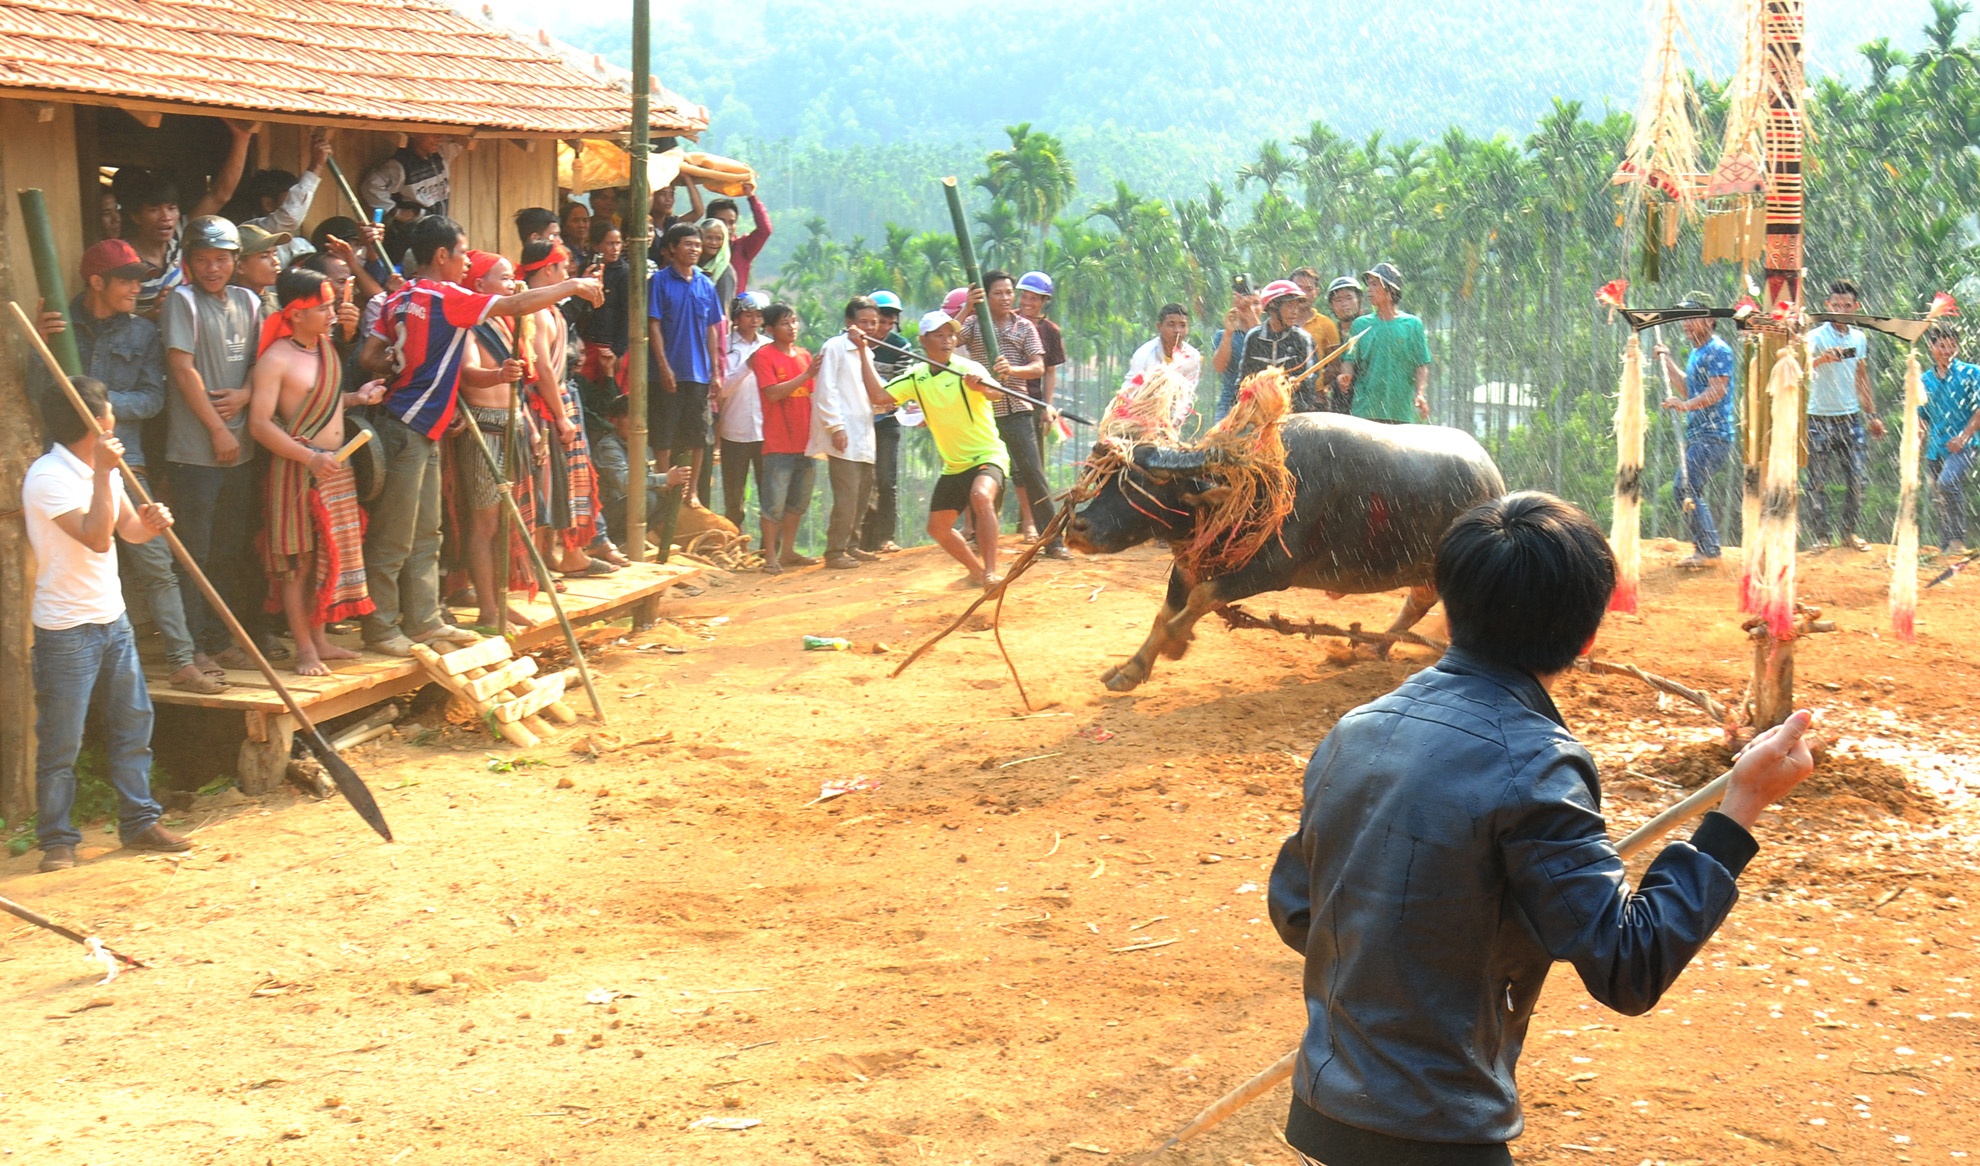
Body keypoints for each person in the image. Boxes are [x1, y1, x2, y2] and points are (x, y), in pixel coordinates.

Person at [1268, 491, 1815, 1166]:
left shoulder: (1354, 732)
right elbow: (1628, 965)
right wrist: (1738, 811)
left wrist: (1425, 936)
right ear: (1587, 638)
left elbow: (1297, 908)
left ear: (1445, 602)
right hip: (1439, 1130)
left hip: (1326, 1108)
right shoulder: (1535, 762)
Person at [357, 214, 602, 656]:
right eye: (461, 254)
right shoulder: (446, 297)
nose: (466, 264)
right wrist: (572, 287)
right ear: (441, 256)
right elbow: (511, 307)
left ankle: (425, 621)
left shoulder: (400, 297)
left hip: (416, 424)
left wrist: (397, 365)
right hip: (411, 424)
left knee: (426, 531)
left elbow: (370, 353)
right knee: (397, 533)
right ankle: (381, 628)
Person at [33, 240, 216, 694]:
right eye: (127, 279)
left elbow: (153, 401)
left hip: (122, 461)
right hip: (66, 464)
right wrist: (39, 344)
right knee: (71, 562)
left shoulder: (142, 334)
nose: (138, 287)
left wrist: (99, 406)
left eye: (140, 278)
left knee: (155, 562)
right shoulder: (60, 327)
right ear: (97, 282)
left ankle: (180, 658)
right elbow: (38, 392)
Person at [25, 376, 192, 872]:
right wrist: (102, 474)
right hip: (65, 629)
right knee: (62, 739)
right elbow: (96, 539)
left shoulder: (107, 469)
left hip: (111, 618)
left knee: (132, 724)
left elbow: (127, 531)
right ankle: (57, 838)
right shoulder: (47, 476)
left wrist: (152, 521)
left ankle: (140, 821)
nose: (114, 419)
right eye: (108, 414)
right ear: (96, 425)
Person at [248, 269, 385, 675]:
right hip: (297, 472)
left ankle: (321, 639)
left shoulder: (325, 348)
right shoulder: (275, 359)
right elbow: (260, 424)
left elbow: (327, 403)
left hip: (335, 467)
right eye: (321, 307)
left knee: (330, 556)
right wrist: (308, 458)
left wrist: (357, 398)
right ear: (294, 313)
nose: (331, 313)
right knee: (298, 563)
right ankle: (304, 649)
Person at [162, 215, 264, 672]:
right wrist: (218, 430)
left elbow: (264, 361)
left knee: (228, 549)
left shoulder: (249, 300)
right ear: (188, 263)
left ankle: (219, 638)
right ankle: (193, 648)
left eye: (221, 259)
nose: (212, 268)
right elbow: (184, 370)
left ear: (235, 261)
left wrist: (245, 394)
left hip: (242, 451)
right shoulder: (181, 302)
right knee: (194, 553)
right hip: (194, 452)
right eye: (201, 260)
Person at [858, 312, 1009, 588]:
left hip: (988, 454)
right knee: (937, 528)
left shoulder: (968, 368)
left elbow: (996, 393)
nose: (947, 340)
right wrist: (861, 351)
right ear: (923, 340)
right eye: (939, 335)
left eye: (950, 334)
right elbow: (879, 398)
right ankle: (976, 572)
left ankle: (991, 572)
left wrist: (981, 385)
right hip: (955, 464)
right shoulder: (917, 377)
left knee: (980, 496)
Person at [454, 250, 537, 629]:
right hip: (484, 429)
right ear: (479, 286)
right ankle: (489, 611)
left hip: (512, 425)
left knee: (506, 523)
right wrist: (498, 376)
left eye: (510, 278)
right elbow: (470, 374)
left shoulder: (506, 324)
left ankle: (501, 602)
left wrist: (530, 425)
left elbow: (517, 386)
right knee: (485, 523)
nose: (510, 284)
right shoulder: (470, 325)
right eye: (502, 278)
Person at [517, 240, 609, 577]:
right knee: (547, 486)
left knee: (560, 484)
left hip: (553, 404)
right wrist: (559, 416)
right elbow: (542, 369)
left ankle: (558, 556)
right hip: (545, 407)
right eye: (563, 267)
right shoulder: (539, 312)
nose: (568, 272)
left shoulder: (550, 308)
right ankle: (543, 562)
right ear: (548, 269)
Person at [113, 122, 254, 316]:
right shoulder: (121, 256)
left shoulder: (180, 234)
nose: (166, 218)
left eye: (171, 208)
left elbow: (220, 195)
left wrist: (242, 139)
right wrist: (154, 314)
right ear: (136, 217)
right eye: (154, 210)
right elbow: (111, 318)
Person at [960, 270, 1053, 551]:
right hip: (983, 412)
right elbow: (946, 341)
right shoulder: (974, 324)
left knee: (1033, 474)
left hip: (1018, 409)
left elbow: (1038, 367)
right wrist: (966, 307)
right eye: (998, 293)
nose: (1005, 298)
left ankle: (1053, 539)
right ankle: (980, 537)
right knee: (986, 475)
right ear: (985, 297)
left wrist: (1012, 370)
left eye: (1008, 292)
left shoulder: (1024, 327)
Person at [1653, 295, 1738, 569]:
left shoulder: (1718, 350)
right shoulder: (1696, 352)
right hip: (1699, 435)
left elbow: (1717, 390)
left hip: (1714, 435)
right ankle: (1707, 546)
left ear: (1710, 319)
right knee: (1688, 488)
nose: (1685, 324)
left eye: (1691, 318)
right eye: (1684, 319)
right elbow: (1688, 388)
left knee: (1685, 487)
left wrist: (1686, 405)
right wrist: (1666, 360)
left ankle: (1708, 549)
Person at [646, 221, 723, 507]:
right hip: (666, 373)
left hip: (699, 374)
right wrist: (663, 366)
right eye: (688, 244)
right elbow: (653, 325)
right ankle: (665, 488)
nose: (694, 249)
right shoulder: (659, 282)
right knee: (663, 433)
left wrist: (715, 373)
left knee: (698, 435)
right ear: (671, 248)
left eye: (697, 245)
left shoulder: (706, 283)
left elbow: (711, 330)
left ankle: (691, 493)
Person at [1804, 280, 1885, 551]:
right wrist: (1819, 360)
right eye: (1836, 305)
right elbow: (1795, 369)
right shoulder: (1815, 337)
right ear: (1828, 306)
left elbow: (1861, 378)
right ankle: (1822, 537)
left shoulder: (1859, 339)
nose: (1840, 310)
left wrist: (1872, 414)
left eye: (1846, 306)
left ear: (1855, 307)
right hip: (1818, 418)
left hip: (1850, 418)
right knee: (1816, 481)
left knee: (1858, 479)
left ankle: (1848, 534)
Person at [812, 296, 885, 570]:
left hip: (865, 431)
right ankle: (835, 550)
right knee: (847, 495)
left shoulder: (868, 352)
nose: (869, 327)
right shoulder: (835, 348)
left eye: (873, 322)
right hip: (844, 434)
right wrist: (836, 427)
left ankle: (852, 545)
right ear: (849, 323)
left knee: (864, 493)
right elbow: (826, 390)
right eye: (863, 322)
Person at [750, 302, 817, 574]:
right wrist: (806, 375)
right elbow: (772, 393)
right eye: (785, 323)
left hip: (806, 440)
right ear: (770, 329)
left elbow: (815, 394)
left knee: (798, 502)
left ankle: (788, 551)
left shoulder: (804, 355)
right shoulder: (763, 356)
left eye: (794, 321)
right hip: (778, 441)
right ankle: (770, 557)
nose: (792, 328)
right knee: (773, 504)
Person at [1341, 262, 1432, 424]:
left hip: (1399, 411)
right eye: (1368, 285)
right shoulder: (1360, 325)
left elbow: (1421, 365)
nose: (1369, 289)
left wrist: (1420, 394)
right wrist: (1345, 376)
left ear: (1390, 291)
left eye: (1375, 285)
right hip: (1365, 411)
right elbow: (1349, 360)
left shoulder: (1412, 325)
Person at [1919, 323, 1980, 558]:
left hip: (1966, 444)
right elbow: (1922, 415)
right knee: (1939, 494)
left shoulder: (1972, 373)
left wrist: (1964, 436)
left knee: (1947, 483)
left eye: (1952, 345)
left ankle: (1957, 539)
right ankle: (1945, 545)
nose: (1947, 351)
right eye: (1941, 346)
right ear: (1931, 347)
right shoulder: (1925, 379)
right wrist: (1919, 436)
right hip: (1937, 447)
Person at [860, 290, 914, 555]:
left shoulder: (901, 347)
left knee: (885, 480)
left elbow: (899, 389)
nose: (882, 328)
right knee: (861, 480)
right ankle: (861, 540)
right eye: (879, 321)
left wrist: (878, 400)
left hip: (887, 421)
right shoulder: (852, 344)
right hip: (858, 421)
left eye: (889, 323)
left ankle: (885, 537)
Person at [717, 291, 772, 535]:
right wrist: (748, 365)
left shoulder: (770, 346)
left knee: (769, 493)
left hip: (767, 431)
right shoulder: (724, 345)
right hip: (734, 431)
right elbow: (722, 389)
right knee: (734, 495)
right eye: (748, 314)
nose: (754, 320)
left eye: (759, 315)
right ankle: (733, 543)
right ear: (737, 318)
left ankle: (770, 549)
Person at [1240, 280, 1318, 409]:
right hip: (1258, 409)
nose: (1295, 312)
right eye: (1289, 306)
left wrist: (1299, 384)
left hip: (1296, 410)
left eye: (1296, 306)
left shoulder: (1303, 339)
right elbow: (1243, 378)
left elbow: (1311, 377)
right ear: (1272, 306)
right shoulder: (1253, 337)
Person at [1128, 303, 1204, 428]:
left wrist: (1173, 421)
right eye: (1171, 324)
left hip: (1173, 422)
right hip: (1141, 419)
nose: (1177, 330)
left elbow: (1187, 395)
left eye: (1182, 325)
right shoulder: (1144, 355)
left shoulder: (1192, 357)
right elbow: (1133, 392)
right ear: (1159, 327)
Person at [360, 132, 462, 222]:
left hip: (438, 228)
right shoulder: (399, 166)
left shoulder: (440, 154)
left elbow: (460, 137)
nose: (438, 137)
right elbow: (370, 186)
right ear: (412, 133)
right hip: (414, 234)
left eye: (438, 131)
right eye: (431, 132)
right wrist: (395, 211)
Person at [1014, 272, 1065, 454]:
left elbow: (1050, 372)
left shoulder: (1050, 331)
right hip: (1003, 397)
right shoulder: (1007, 321)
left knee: (1031, 458)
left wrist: (1046, 405)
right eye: (1024, 296)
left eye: (1033, 298)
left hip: (1031, 402)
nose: (1027, 302)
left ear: (1044, 301)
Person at [1290, 267, 1343, 411]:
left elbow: (1335, 366)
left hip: (1315, 402)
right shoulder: (1280, 324)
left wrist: (1316, 384)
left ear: (1316, 292)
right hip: (1282, 400)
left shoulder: (1326, 325)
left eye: (1308, 289)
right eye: (1298, 288)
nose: (1303, 294)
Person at [1211, 286, 1263, 420]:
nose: (1250, 307)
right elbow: (1219, 367)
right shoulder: (1223, 335)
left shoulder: (1271, 335)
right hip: (1230, 404)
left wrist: (1250, 315)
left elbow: (1266, 349)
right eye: (1244, 304)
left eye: (1255, 303)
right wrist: (1229, 333)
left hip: (1263, 403)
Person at [706, 194, 772, 293]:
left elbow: (765, 230)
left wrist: (751, 197)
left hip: (733, 307)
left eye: (731, 222)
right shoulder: (698, 247)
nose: (727, 227)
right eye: (721, 221)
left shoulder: (742, 247)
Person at [1324, 276, 1364, 411]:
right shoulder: (1330, 334)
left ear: (1359, 300)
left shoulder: (1371, 329)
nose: (1344, 304)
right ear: (1332, 305)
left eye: (1349, 298)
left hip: (1368, 398)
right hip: (1339, 402)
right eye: (1338, 300)